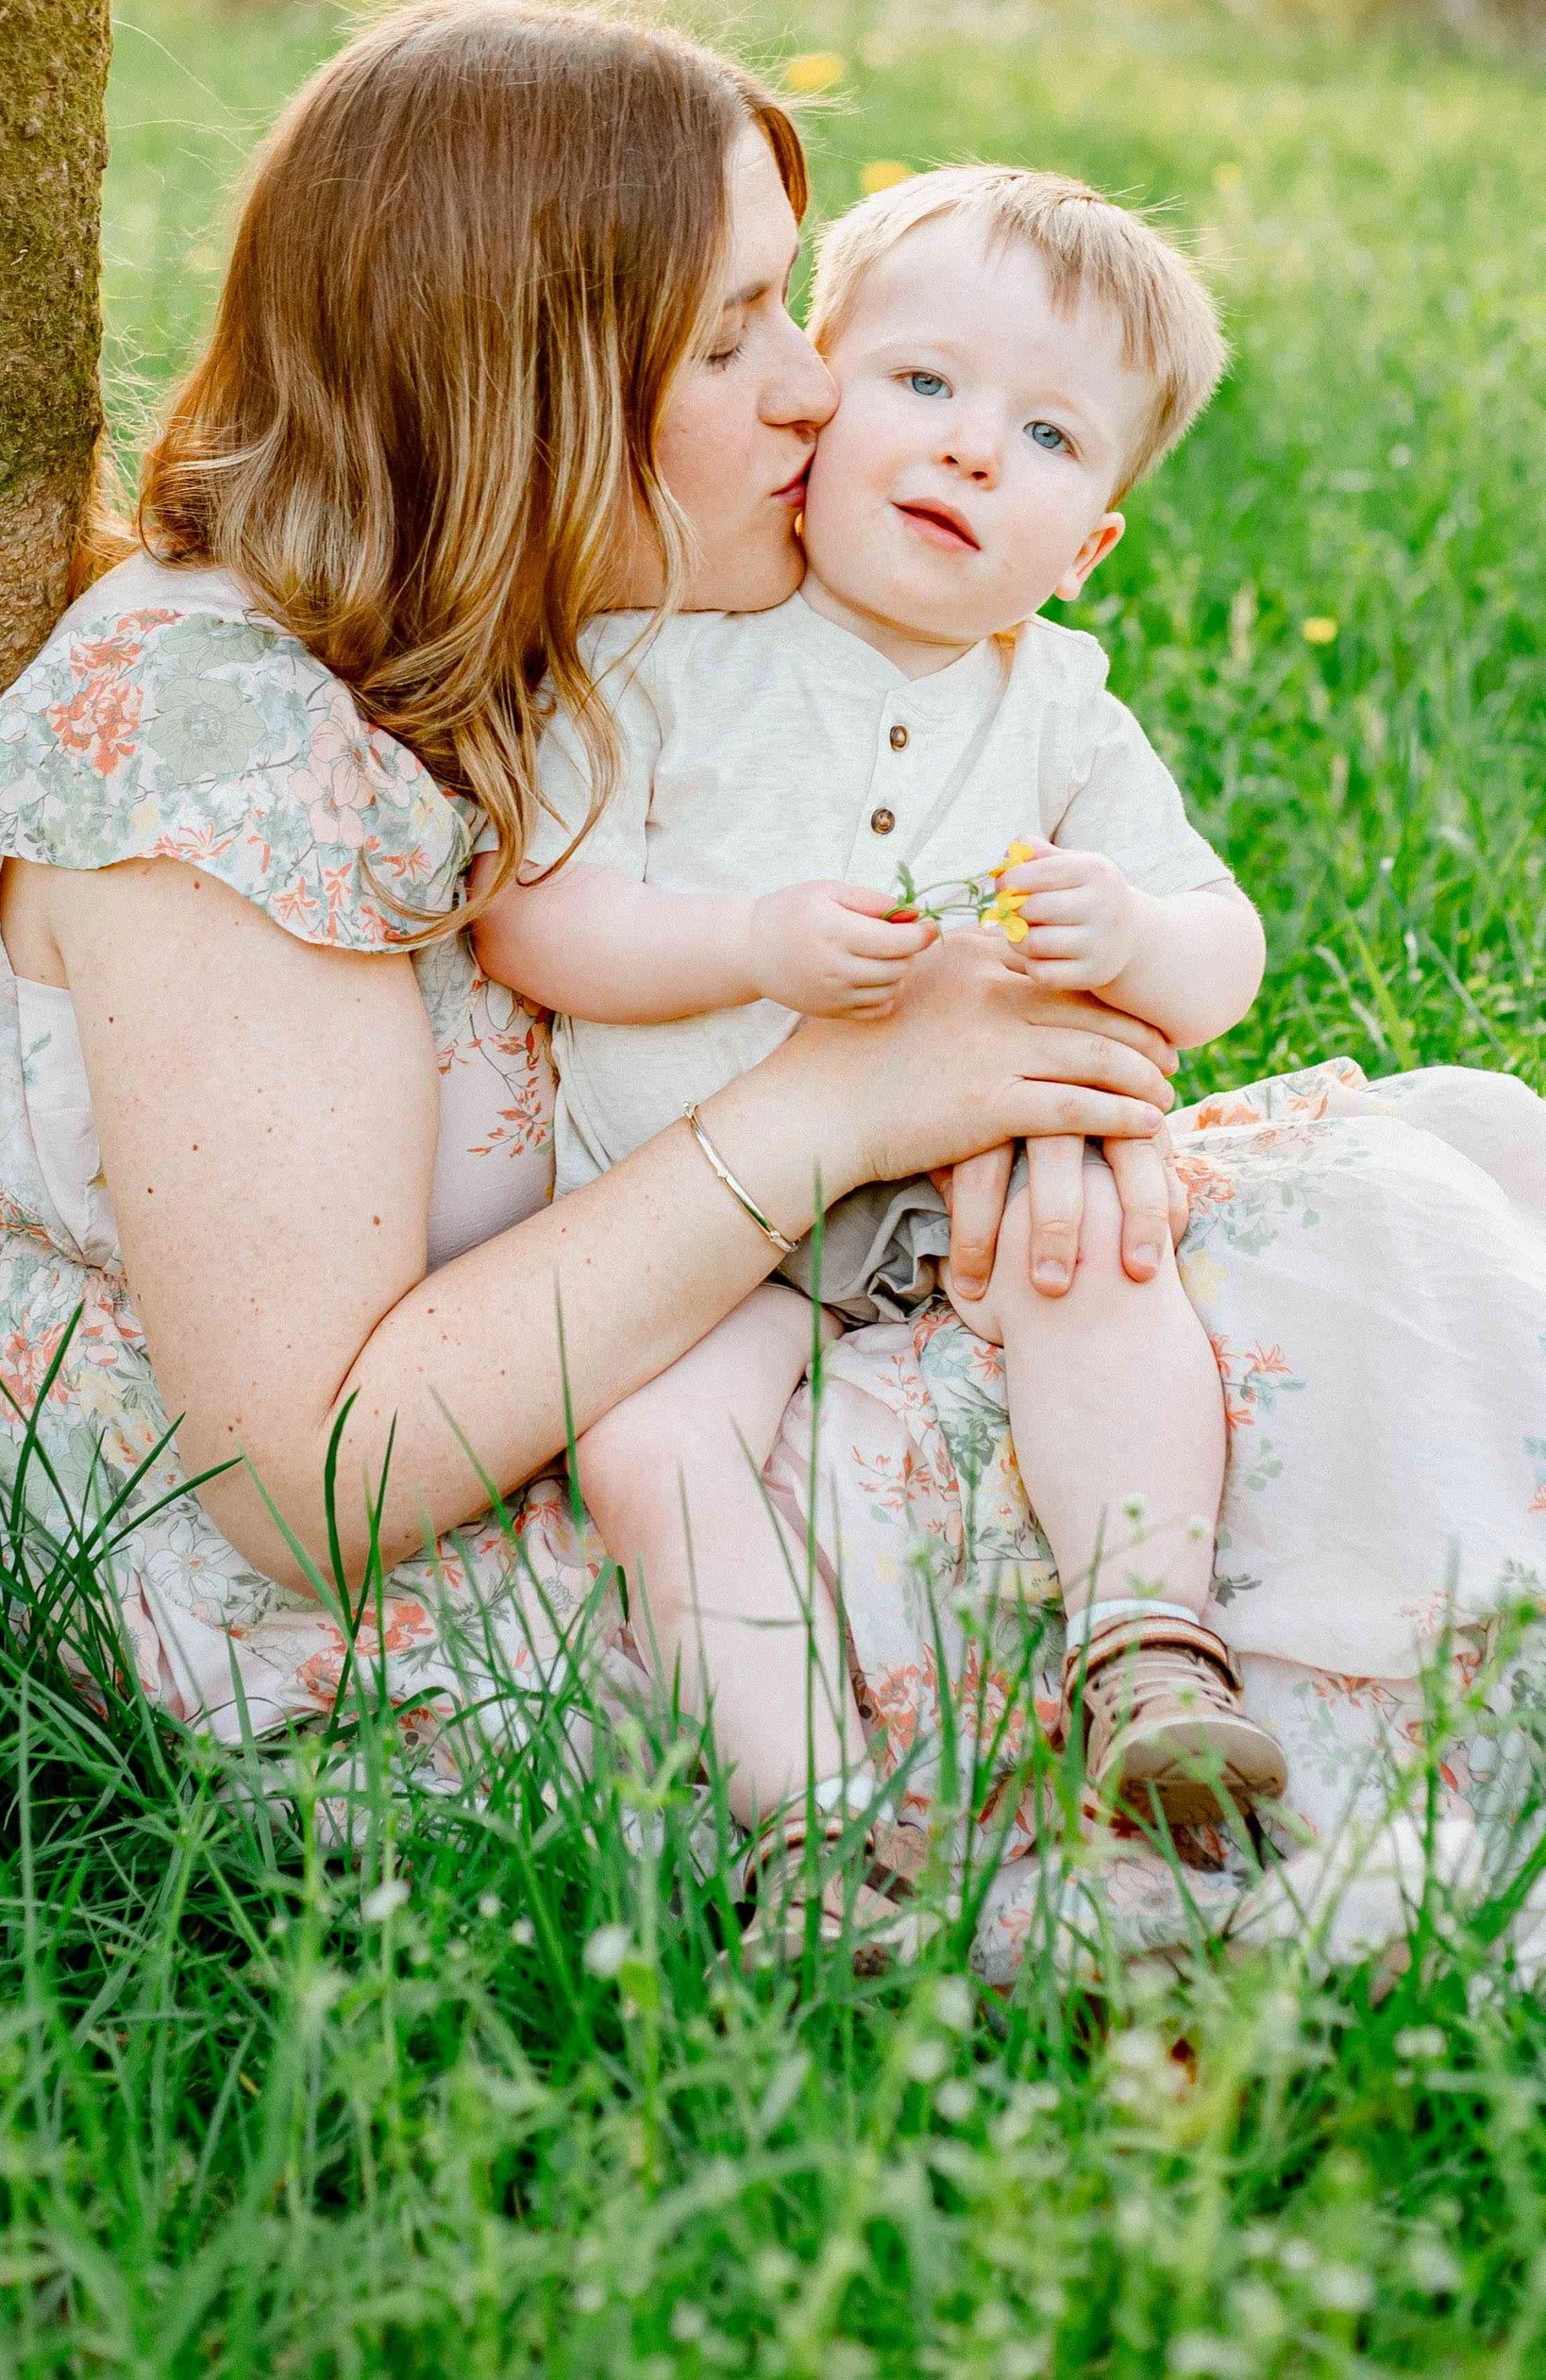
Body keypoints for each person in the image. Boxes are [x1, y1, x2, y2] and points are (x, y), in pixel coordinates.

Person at [0, 0, 1546, 1994]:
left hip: (730, 1330)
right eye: (736, 332)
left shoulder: (514, 615)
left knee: (1398, 1211)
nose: (811, 397)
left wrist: (1011, 1118)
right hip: (453, 1589)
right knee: (1382, 1365)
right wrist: (850, 1107)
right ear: (521, 376)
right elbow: (312, 1485)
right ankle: (879, 1820)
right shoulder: (213, 743)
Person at [473, 166, 1285, 1882]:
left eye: (1052, 438)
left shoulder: (1059, 707)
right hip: (703, 1214)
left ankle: (1147, 1637)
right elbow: (538, 919)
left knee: (1108, 1279)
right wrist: (747, 940)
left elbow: (1228, 953)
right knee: (647, 1443)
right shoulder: (664, 653)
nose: (975, 450)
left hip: (960, 1190)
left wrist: (1132, 931)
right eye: (924, 386)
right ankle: (818, 1826)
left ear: (1092, 547)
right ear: (814, 398)